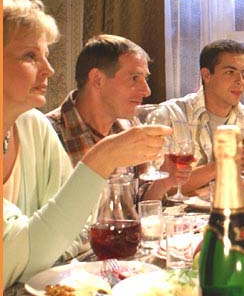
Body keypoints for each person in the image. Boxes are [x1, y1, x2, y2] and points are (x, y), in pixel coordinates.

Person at [3, 0, 170, 287]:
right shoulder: (53, 127)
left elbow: (80, 228)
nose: (49, 69)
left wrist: (46, 246)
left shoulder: (33, 127)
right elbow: (25, 254)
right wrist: (101, 159)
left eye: (46, 55)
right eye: (30, 56)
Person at [46, 34, 189, 201]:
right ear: (98, 79)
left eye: (145, 79)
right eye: (134, 78)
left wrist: (163, 183)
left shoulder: (129, 125)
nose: (147, 91)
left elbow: (138, 204)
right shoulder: (49, 133)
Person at [163, 39, 244, 193]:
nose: (240, 81)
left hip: (240, 207)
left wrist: (210, 191)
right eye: (230, 72)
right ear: (206, 75)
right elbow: (158, 185)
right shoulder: (170, 115)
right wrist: (222, 165)